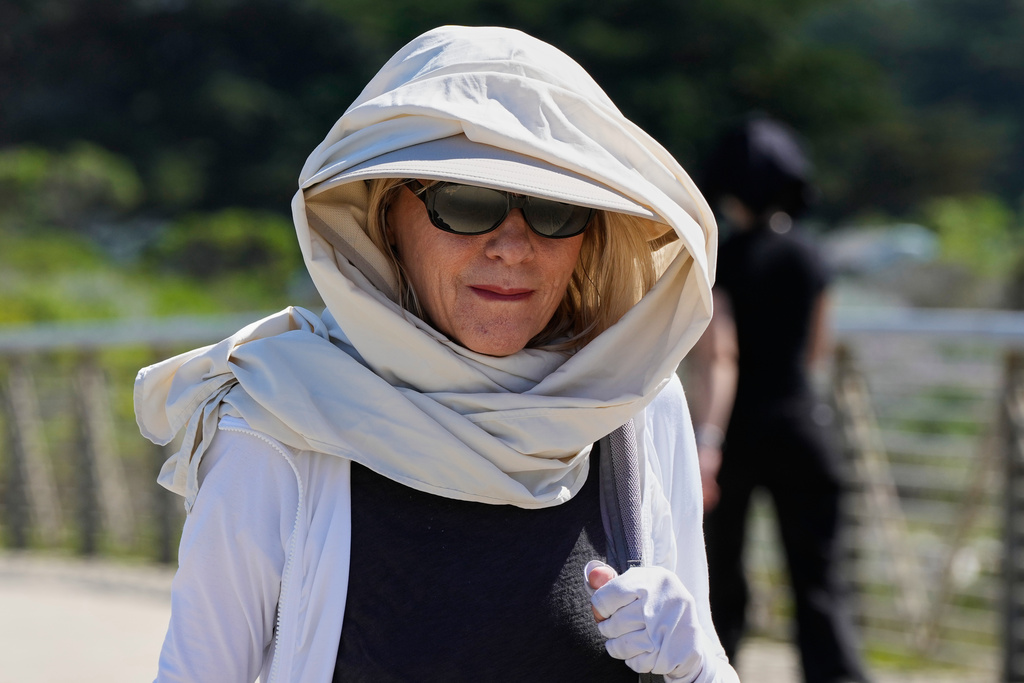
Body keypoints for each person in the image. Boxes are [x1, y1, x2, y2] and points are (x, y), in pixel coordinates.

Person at [134, 25, 739, 682]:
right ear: (388, 215)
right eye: (468, 202)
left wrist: (699, 665)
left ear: (589, 235)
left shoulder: (635, 412)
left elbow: (698, 659)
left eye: (555, 210)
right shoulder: (278, 423)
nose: (513, 245)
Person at [688, 115, 870, 683]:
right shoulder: (813, 257)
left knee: (723, 578)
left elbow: (723, 357)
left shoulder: (726, 258)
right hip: (801, 423)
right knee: (818, 580)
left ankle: (713, 674)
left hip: (739, 434)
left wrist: (707, 442)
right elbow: (818, 348)